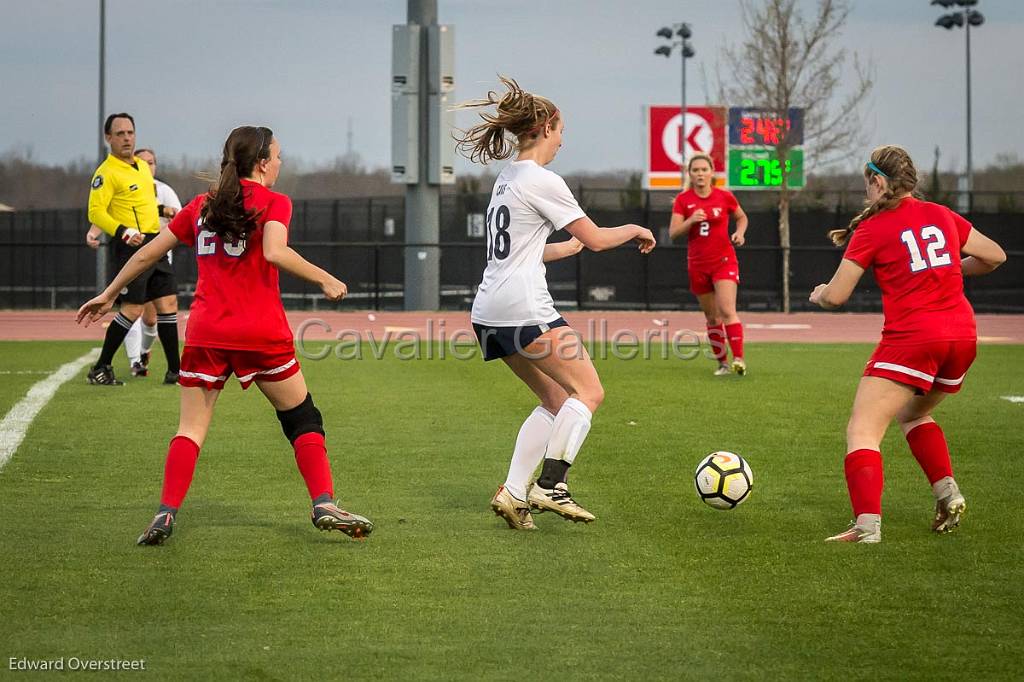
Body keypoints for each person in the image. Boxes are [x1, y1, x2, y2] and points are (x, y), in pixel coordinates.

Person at [77, 125, 372, 545]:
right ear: (263, 162)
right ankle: (323, 503)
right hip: (260, 332)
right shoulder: (274, 201)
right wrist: (325, 278)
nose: (281, 163)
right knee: (303, 418)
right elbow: (273, 251)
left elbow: (147, 253)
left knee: (189, 431)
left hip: (206, 333)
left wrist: (108, 294)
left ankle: (165, 513)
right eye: (278, 155)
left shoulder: (201, 205)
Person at [455, 77, 657, 530]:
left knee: (554, 398)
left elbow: (513, 251)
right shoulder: (543, 180)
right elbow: (600, 240)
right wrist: (634, 229)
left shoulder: (506, 179)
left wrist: (562, 249)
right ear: (546, 126)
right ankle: (551, 486)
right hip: (524, 308)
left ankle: (512, 493)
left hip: (488, 311)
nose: (563, 140)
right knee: (589, 392)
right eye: (562, 130)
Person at [809, 145, 1006, 544]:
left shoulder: (873, 228)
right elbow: (995, 256)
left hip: (914, 339)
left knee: (863, 429)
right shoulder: (940, 214)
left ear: (878, 181)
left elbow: (838, 296)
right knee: (913, 415)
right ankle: (947, 492)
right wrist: (948, 270)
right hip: (962, 337)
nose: (867, 192)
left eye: (868, 183)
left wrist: (818, 294)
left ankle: (866, 527)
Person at [86, 114, 181, 385]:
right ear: (108, 138)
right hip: (131, 248)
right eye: (120, 133)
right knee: (133, 309)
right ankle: (101, 367)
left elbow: (145, 203)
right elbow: (95, 212)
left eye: (130, 132)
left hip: (156, 243)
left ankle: (176, 371)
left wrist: (164, 211)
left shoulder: (140, 166)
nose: (126, 138)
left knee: (168, 304)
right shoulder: (106, 173)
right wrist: (122, 231)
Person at [668, 153, 750, 376]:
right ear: (690, 174)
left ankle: (739, 359)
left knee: (726, 310)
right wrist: (690, 221)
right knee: (712, 317)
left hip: (723, 261)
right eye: (696, 170)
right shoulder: (683, 200)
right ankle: (722, 363)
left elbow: (742, 217)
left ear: (712, 172)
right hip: (697, 264)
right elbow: (673, 232)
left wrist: (739, 233)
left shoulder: (724, 196)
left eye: (704, 169)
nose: (700, 174)